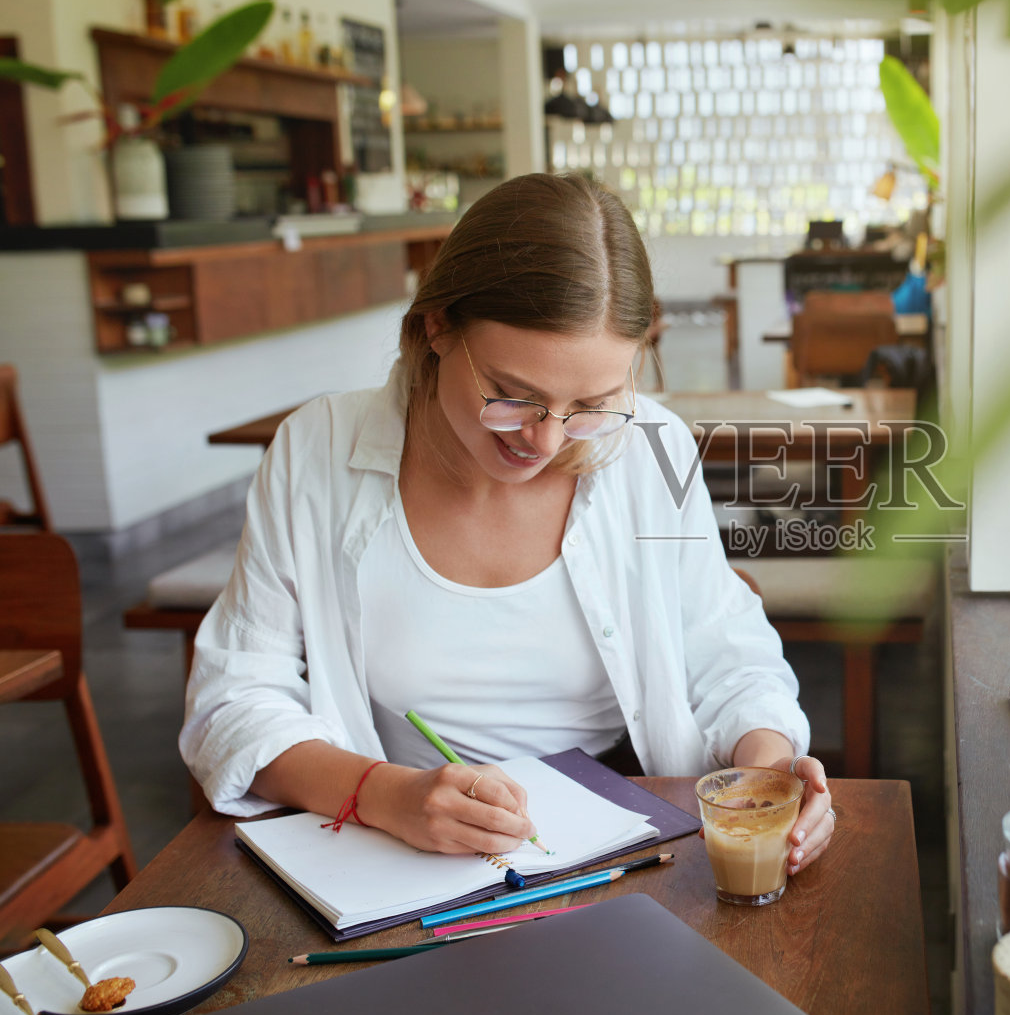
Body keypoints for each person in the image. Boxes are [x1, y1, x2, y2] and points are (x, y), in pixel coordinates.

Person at [180, 172, 835, 876]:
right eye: (513, 396)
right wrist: (385, 794)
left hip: (628, 839)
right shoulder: (317, 450)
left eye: (591, 402)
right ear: (437, 324)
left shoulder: (651, 446)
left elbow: (727, 651)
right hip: (394, 853)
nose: (546, 440)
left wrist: (768, 768)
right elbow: (235, 697)